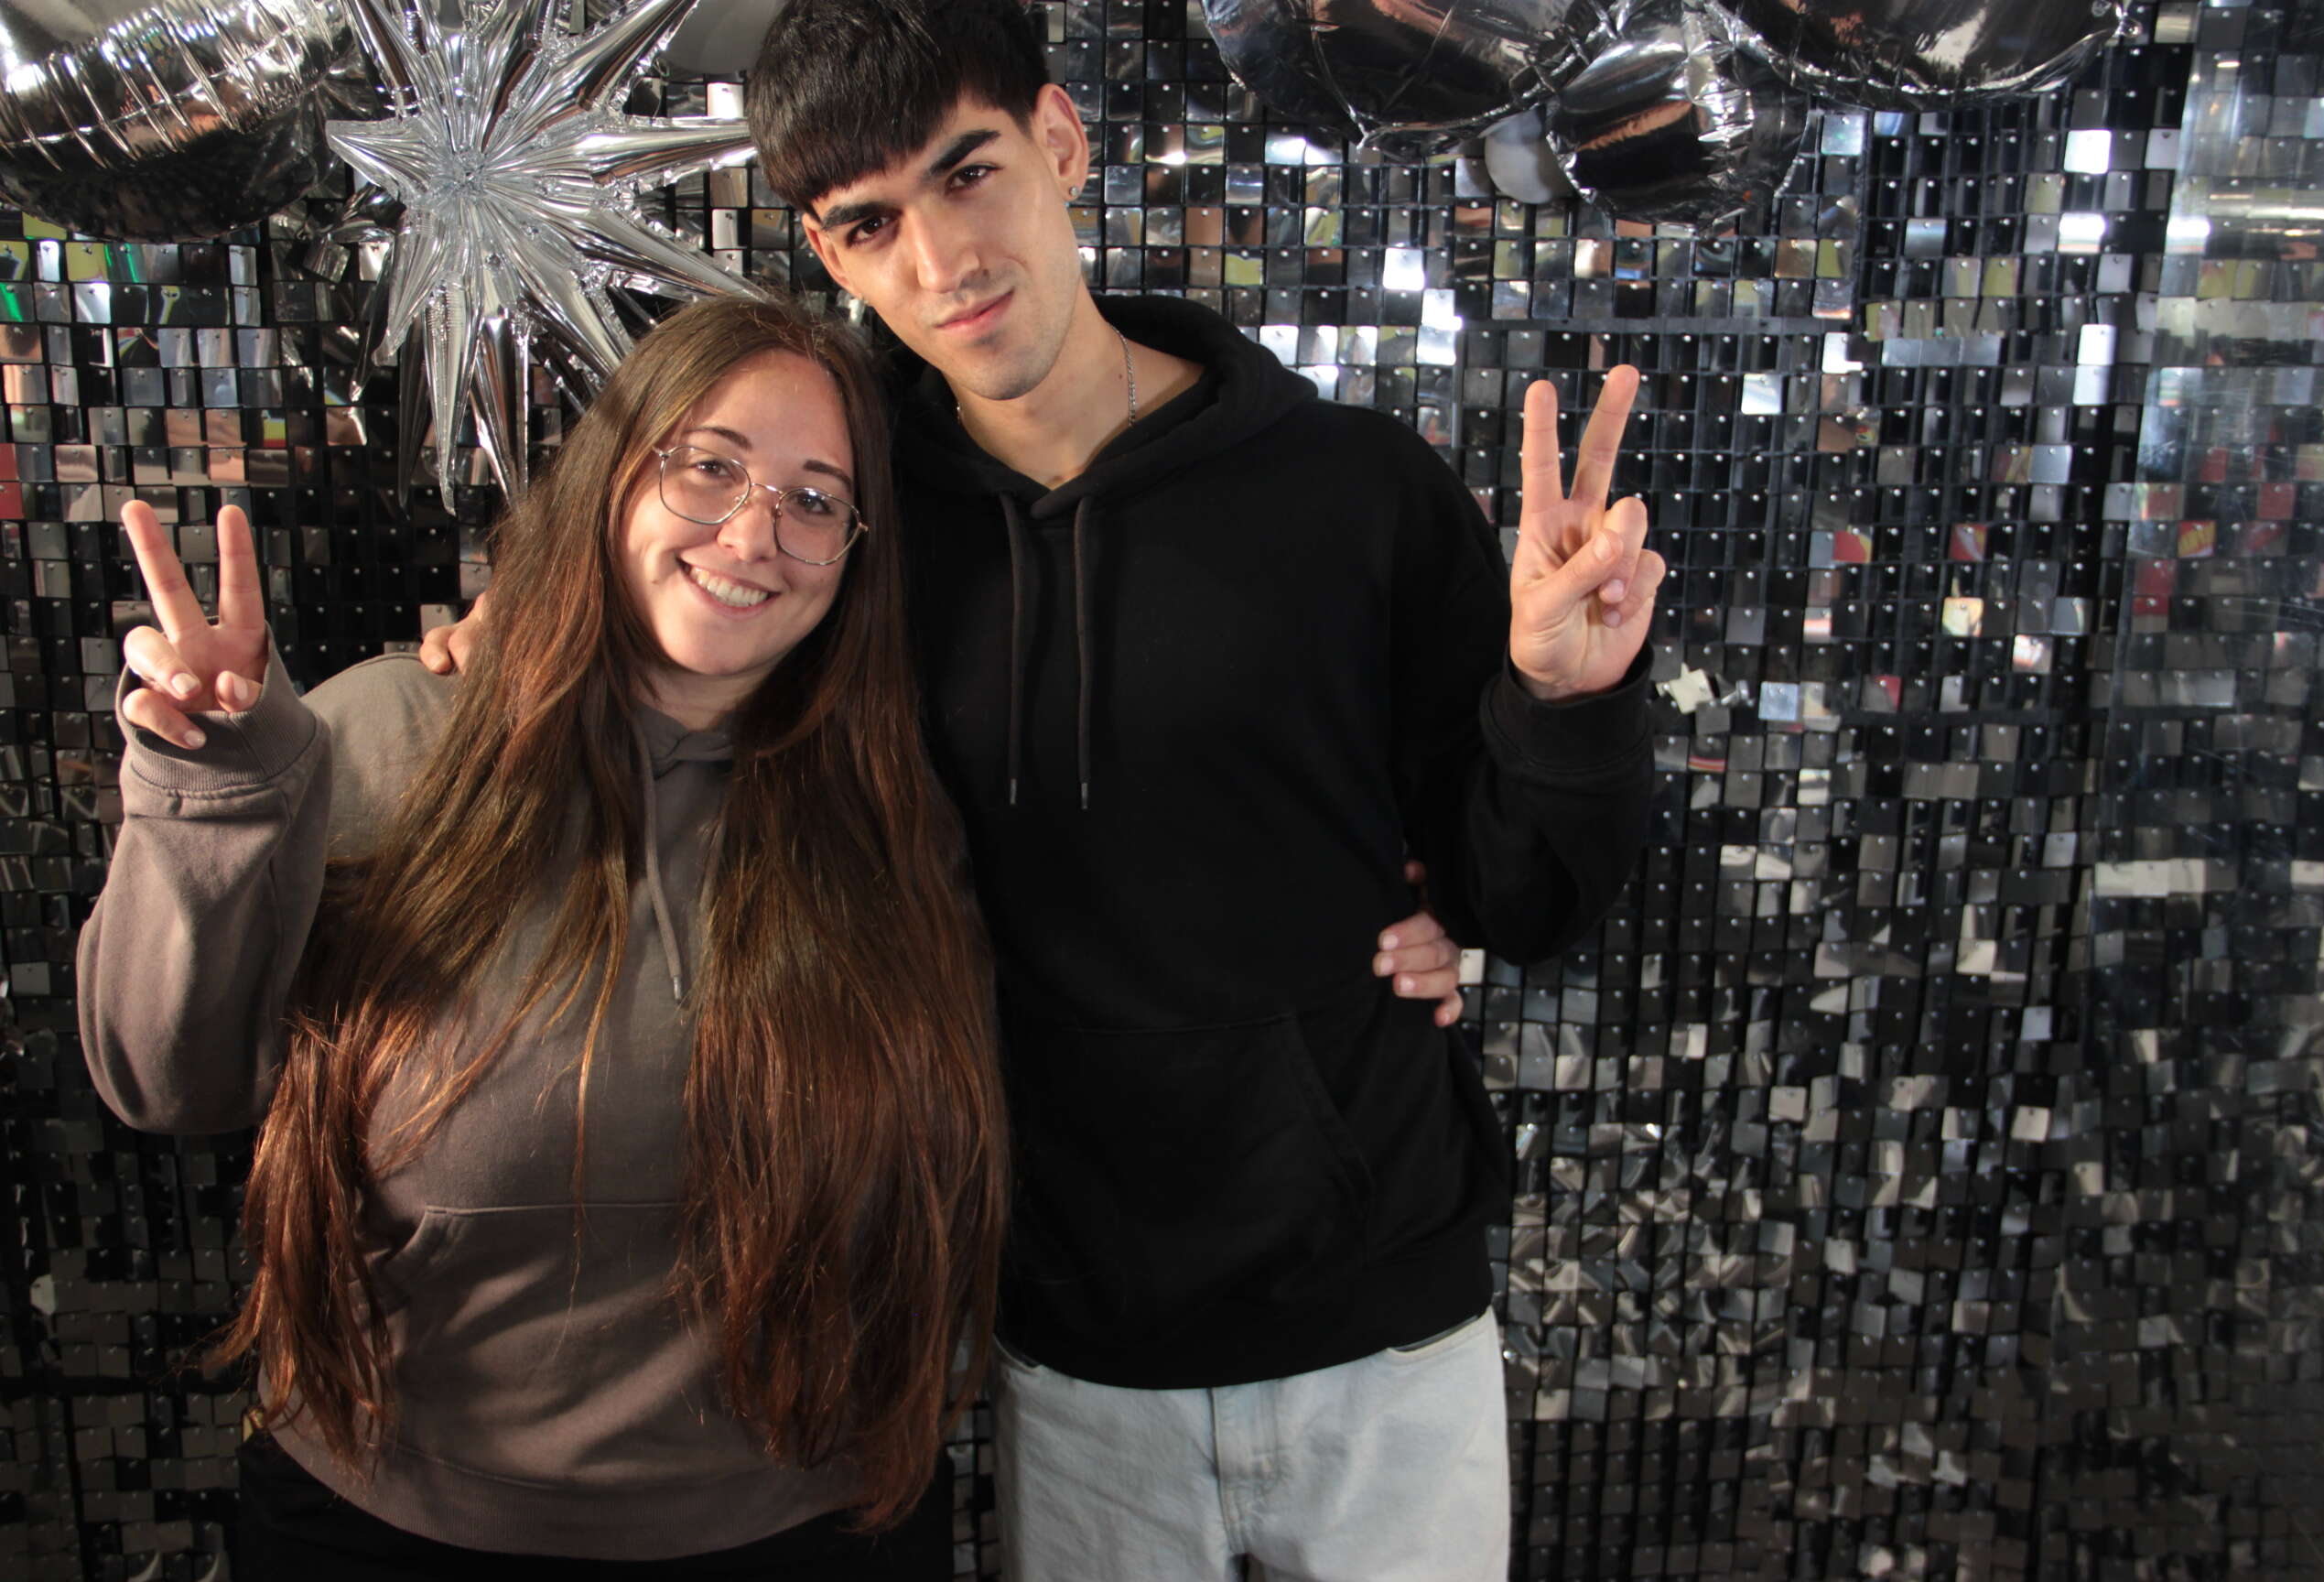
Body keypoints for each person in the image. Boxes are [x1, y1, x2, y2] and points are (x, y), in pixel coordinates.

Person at [427, 0, 1669, 1571]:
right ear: (828, 248)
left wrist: (1564, 699)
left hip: (1384, 1318)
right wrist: (526, 628)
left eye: (969, 174)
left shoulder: (1351, 490)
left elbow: (1522, 896)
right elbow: (684, 644)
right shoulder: (842, 530)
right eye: (872, 223)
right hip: (1068, 1345)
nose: (942, 261)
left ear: (1061, 140)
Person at [77, 294, 1008, 1579]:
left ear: (857, 553)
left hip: (814, 1524)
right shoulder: (390, 738)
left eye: (813, 499)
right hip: (396, 1527)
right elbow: (168, 1083)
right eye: (710, 466)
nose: (754, 534)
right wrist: (217, 795)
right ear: (612, 478)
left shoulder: (892, 808)